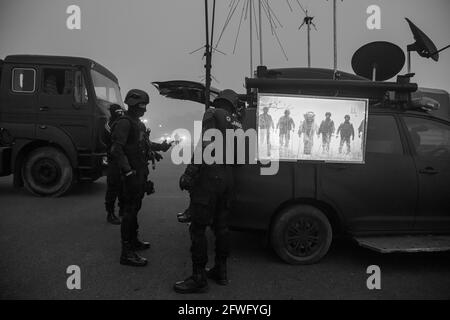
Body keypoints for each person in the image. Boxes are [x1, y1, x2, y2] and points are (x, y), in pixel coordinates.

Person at [174, 89, 243, 294]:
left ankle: (198, 278)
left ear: (219, 101)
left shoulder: (212, 114)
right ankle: (220, 272)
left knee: (197, 228)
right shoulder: (238, 122)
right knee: (221, 228)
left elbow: (206, 145)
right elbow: (240, 156)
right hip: (229, 178)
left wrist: (190, 173)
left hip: (210, 178)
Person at [110, 89, 171, 267]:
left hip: (140, 173)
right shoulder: (124, 123)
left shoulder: (138, 124)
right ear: (133, 105)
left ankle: (134, 241)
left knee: (135, 208)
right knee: (128, 212)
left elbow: (144, 144)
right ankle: (126, 252)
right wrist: (128, 172)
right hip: (131, 175)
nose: (145, 109)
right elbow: (117, 149)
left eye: (145, 106)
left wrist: (161, 147)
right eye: (142, 105)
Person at [103, 104, 125, 225]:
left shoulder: (121, 123)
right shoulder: (109, 125)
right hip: (114, 160)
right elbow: (110, 139)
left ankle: (122, 209)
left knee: (123, 187)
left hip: (122, 159)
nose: (120, 113)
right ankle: (110, 213)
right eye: (118, 112)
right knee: (113, 188)